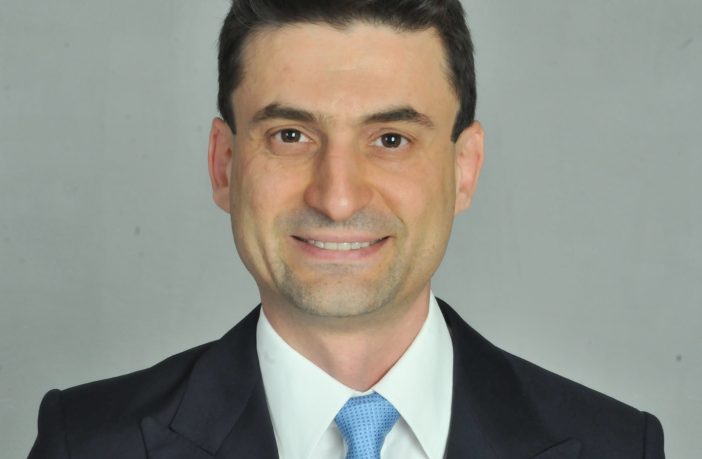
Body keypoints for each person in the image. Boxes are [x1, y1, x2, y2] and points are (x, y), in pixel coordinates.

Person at [29, 1, 665, 458]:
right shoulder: (84, 443)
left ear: (463, 170)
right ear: (224, 166)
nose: (336, 198)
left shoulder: (616, 446)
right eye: (290, 135)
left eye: (390, 139)